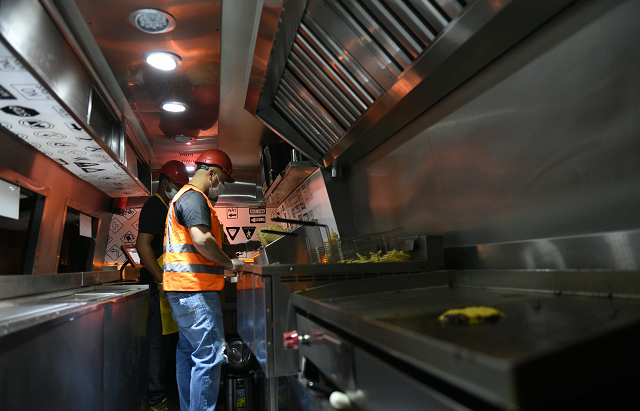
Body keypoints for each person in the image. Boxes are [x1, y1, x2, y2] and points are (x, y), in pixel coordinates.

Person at [163, 149, 243, 411]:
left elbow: (199, 246)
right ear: (210, 174)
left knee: (188, 354)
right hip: (195, 292)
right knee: (209, 357)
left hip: (182, 293)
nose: (220, 187)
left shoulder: (183, 198)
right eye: (220, 180)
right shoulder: (195, 198)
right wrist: (229, 264)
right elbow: (202, 240)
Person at [136, 160, 189, 411]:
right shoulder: (153, 206)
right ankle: (157, 400)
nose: (179, 191)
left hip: (166, 288)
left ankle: (167, 395)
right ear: (165, 182)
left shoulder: (166, 207)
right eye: (177, 186)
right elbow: (142, 246)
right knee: (157, 345)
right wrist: (161, 279)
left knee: (168, 343)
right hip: (158, 288)